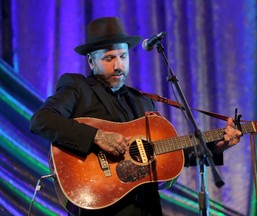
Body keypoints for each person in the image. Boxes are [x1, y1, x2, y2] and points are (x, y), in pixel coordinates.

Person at [30, 17, 242, 216]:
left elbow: (168, 155)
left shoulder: (141, 101)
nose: (118, 66)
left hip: (147, 208)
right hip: (101, 206)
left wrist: (216, 147)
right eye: (109, 58)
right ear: (91, 62)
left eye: (123, 56)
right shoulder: (78, 88)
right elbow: (42, 120)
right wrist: (98, 137)